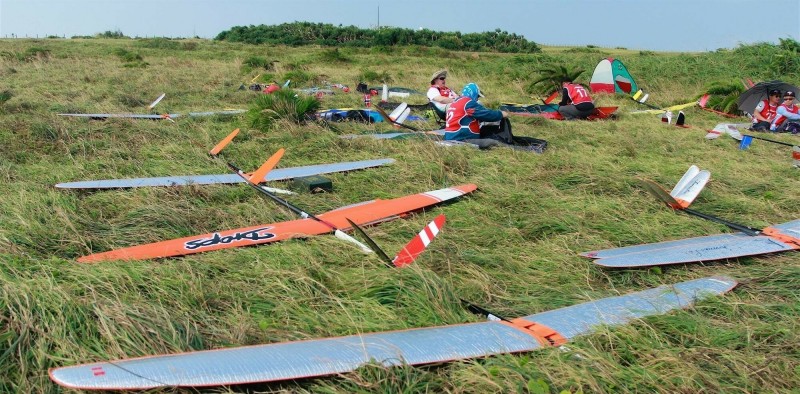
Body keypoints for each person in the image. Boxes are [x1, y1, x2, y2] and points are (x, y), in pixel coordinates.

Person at [444, 83, 509, 144]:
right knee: (494, 143)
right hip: (461, 139)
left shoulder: (455, 102)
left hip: (451, 137)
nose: (477, 99)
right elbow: (487, 114)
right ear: (473, 93)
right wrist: (501, 114)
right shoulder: (468, 103)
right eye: (477, 96)